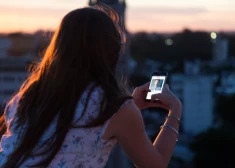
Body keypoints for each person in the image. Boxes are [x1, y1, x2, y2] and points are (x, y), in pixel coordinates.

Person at [0, 5, 182, 168]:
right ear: (113, 52)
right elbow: (154, 165)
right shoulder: (115, 109)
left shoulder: (29, 96)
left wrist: (129, 107)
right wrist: (175, 110)